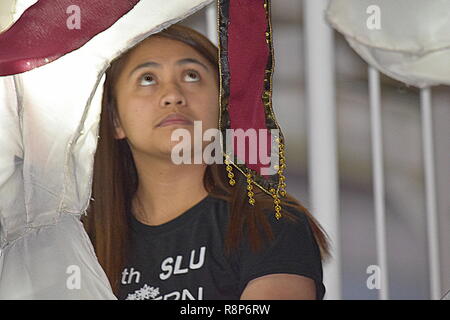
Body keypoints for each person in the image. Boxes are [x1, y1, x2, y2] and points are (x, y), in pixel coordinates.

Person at [82, 23, 330, 300]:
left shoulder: (268, 221)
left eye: (191, 76)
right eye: (148, 79)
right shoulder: (82, 242)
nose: (173, 95)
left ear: (222, 107)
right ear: (116, 121)